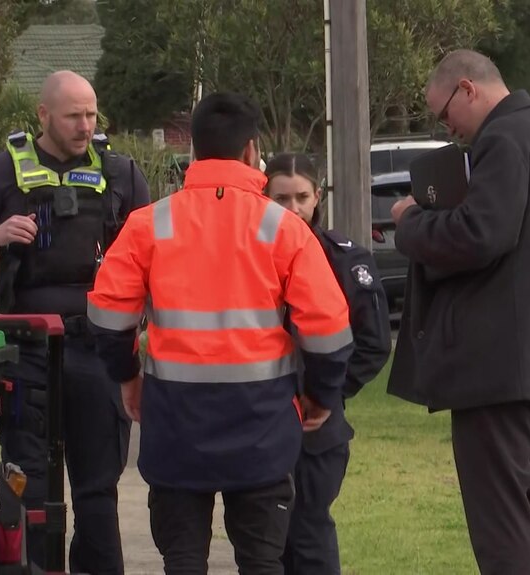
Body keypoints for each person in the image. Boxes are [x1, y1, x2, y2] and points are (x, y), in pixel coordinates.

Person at [86, 92, 354, 575]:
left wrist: (127, 376)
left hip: (174, 424)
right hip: (263, 426)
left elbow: (108, 316)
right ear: (252, 151)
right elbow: (329, 329)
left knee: (183, 560)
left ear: (194, 149)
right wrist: (320, 394)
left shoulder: (149, 224)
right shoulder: (284, 228)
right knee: (262, 561)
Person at [0, 70, 151, 574]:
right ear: (43, 115)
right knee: (27, 482)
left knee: (97, 487)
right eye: (73, 115)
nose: (84, 126)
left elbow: (155, 252)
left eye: (91, 114)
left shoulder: (121, 173)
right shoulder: (4, 170)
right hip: (27, 348)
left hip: (97, 346)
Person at [387, 49, 530, 575]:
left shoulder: (503, 139)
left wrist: (410, 222)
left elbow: (481, 234)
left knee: (501, 522)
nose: (447, 128)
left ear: (469, 88)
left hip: (497, 369)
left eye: (445, 112)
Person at [264, 153, 392, 575]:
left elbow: (372, 345)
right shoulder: (247, 260)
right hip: (259, 418)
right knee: (266, 542)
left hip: (316, 429)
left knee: (309, 532)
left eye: (302, 197)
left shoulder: (343, 259)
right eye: (281, 198)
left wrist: (326, 393)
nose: (293, 208)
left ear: (318, 197)